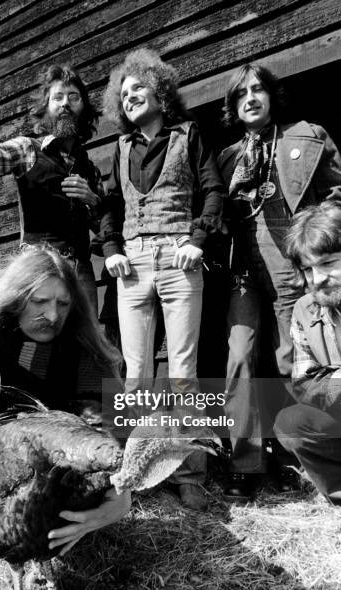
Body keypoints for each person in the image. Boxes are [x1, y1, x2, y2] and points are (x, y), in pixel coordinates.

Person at [0, 245, 130, 576]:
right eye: (40, 302)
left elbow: (109, 430)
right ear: (15, 300)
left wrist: (121, 495)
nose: (53, 316)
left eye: (63, 304)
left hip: (47, 471)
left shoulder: (84, 354)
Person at [217, 62, 341, 502]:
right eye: (241, 94)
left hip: (290, 267)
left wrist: (314, 239)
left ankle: (296, 461)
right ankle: (245, 464)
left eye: (258, 90)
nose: (251, 98)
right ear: (234, 106)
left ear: (272, 96)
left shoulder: (305, 135)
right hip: (243, 272)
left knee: (287, 360)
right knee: (239, 359)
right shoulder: (228, 158)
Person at [99, 48, 225, 510]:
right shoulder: (121, 147)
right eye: (124, 93)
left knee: (183, 373)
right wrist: (111, 249)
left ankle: (190, 472)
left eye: (139, 89)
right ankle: (139, 472)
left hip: (179, 259)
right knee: (135, 376)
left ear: (161, 93)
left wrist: (198, 237)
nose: (130, 97)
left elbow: (213, 190)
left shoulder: (188, 136)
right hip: (131, 265)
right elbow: (109, 204)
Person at [0, 47, 103, 311]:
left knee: (82, 351)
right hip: (38, 267)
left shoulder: (89, 167)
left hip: (81, 274)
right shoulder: (27, 149)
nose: (66, 103)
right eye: (58, 97)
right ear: (46, 108)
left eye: (74, 97)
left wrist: (92, 200)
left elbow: (107, 229)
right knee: (35, 347)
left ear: (84, 109)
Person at [274, 203, 341, 510]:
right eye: (308, 269)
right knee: (292, 422)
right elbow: (305, 384)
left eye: (328, 263)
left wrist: (333, 376)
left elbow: (321, 384)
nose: (317, 279)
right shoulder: (306, 309)